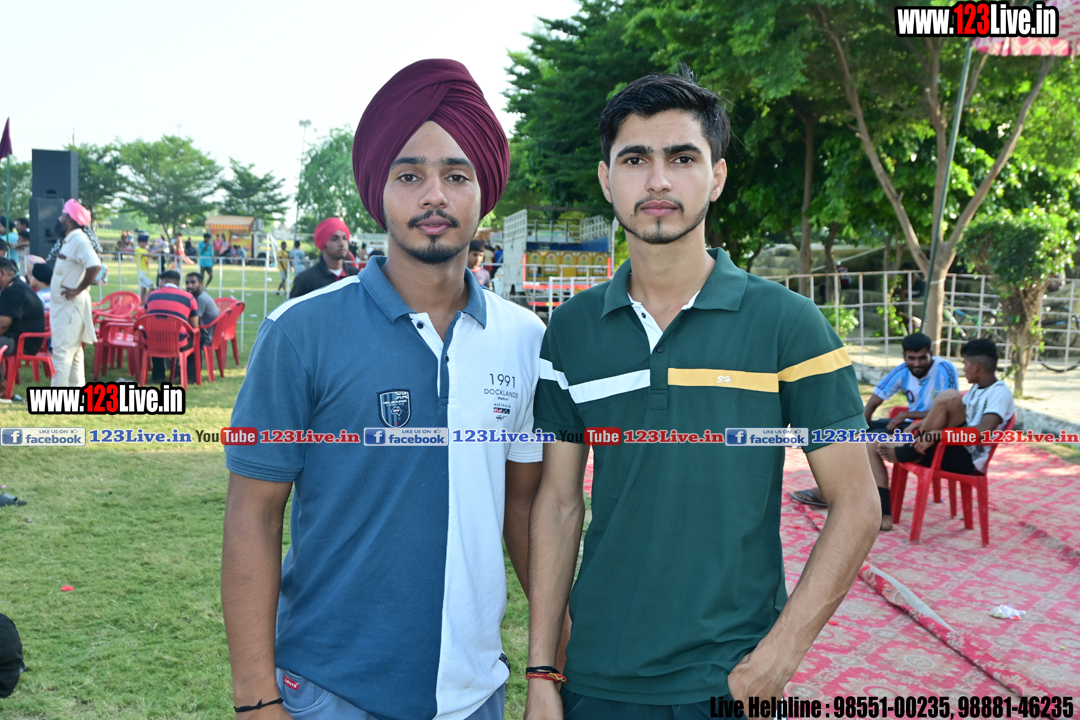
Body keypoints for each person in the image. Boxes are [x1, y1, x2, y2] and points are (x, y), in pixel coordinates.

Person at [525, 71, 880, 717]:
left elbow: (857, 503)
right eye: (635, 159)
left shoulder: (789, 324)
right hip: (596, 674)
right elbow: (557, 503)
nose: (658, 180)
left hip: (734, 679)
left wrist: (781, 655)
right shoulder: (571, 331)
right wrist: (543, 670)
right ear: (607, 179)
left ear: (716, 176)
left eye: (682, 158)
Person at [222, 58, 548, 720]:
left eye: (456, 175)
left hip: (476, 693)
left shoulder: (526, 339)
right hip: (330, 692)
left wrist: (552, 659)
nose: (434, 196)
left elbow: (523, 510)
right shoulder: (300, 332)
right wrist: (257, 699)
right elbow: (254, 514)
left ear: (484, 192)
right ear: (379, 189)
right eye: (409, 175)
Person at [790, 332, 959, 530]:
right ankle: (832, 492)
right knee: (849, 437)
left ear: (931, 353)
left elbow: (949, 410)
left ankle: (878, 511)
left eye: (922, 357)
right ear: (904, 356)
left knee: (868, 442)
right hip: (908, 426)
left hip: (929, 431)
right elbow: (872, 403)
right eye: (911, 358)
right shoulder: (902, 370)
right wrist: (857, 430)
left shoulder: (945, 369)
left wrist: (907, 415)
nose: (917, 363)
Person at [874, 338, 1014, 477]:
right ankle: (911, 451)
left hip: (968, 459)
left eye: (965, 364)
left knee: (950, 395)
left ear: (976, 367)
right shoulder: (977, 388)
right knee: (872, 441)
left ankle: (911, 451)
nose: (964, 369)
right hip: (954, 446)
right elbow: (951, 412)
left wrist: (936, 435)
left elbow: (984, 431)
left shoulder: (999, 392)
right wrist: (923, 423)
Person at [49, 200, 101, 387]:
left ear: (70, 220)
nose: (59, 218)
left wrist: (78, 289)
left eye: (63, 215)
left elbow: (95, 265)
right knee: (73, 353)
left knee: (61, 353)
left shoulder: (79, 240)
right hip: (65, 307)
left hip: (70, 307)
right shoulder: (70, 240)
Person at [0, 258, 46, 393]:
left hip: (23, 342)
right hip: (17, 337)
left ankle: (2, 388)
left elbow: (3, 324)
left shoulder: (14, 290)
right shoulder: (15, 286)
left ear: (2, 273)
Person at [144, 270, 199, 383]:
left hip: (152, 341)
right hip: (178, 342)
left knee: (156, 334)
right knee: (194, 338)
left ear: (163, 281)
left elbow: (146, 315)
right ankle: (189, 377)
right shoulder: (189, 298)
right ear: (178, 283)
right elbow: (194, 325)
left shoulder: (151, 296)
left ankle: (158, 376)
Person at [289, 218, 359, 299]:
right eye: (334, 239)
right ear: (323, 244)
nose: (342, 243)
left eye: (344, 238)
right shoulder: (305, 280)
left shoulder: (356, 277)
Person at [185, 271, 219, 357]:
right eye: (187, 283)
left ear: (201, 284)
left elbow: (193, 323)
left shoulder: (201, 299)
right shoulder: (201, 296)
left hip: (206, 336)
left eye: (193, 282)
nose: (189, 286)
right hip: (209, 333)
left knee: (178, 339)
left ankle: (182, 363)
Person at [134, 233, 155, 302]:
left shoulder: (144, 250)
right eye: (145, 242)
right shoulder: (138, 249)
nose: (146, 243)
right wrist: (157, 250)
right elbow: (148, 254)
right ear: (140, 242)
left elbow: (153, 256)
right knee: (152, 288)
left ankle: (141, 303)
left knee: (144, 289)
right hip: (142, 273)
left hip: (145, 272)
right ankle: (144, 302)